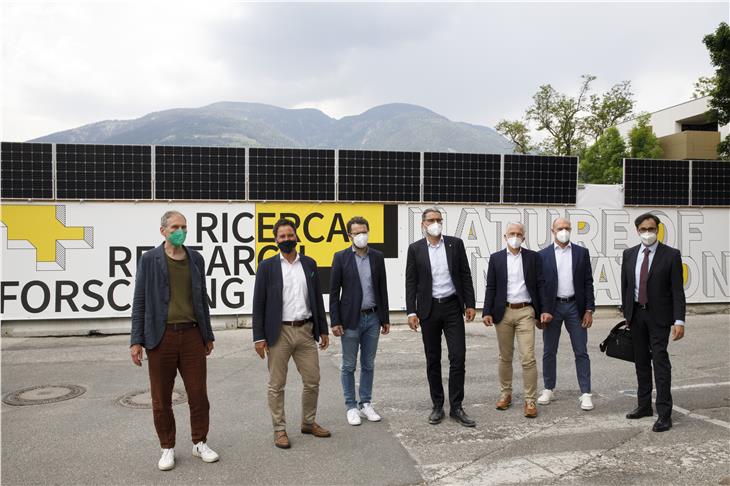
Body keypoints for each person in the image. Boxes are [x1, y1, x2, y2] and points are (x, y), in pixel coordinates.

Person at [130, 210, 219, 471]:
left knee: (198, 394)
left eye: (184, 227)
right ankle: (167, 447)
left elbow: (202, 298)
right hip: (161, 337)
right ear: (163, 231)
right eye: (175, 227)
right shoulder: (149, 260)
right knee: (161, 398)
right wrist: (136, 340)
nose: (180, 231)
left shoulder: (196, 259)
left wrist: (208, 334)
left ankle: (199, 442)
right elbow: (140, 301)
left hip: (192, 334)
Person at [252, 218, 331, 449]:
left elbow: (316, 297)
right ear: (276, 240)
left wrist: (322, 329)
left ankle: (308, 422)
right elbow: (259, 303)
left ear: (296, 236)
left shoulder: (309, 263)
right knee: (277, 384)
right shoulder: (267, 267)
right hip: (279, 333)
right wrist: (259, 337)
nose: (287, 239)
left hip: (305, 331)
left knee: (313, 380)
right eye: (282, 236)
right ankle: (279, 430)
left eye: (290, 235)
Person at [405, 208, 477, 427]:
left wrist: (470, 304)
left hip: (452, 307)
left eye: (438, 220)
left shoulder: (455, 244)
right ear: (423, 224)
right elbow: (411, 281)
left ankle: (456, 407)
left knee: (458, 357)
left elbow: (465, 273)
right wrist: (411, 311)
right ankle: (438, 405)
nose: (435, 223)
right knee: (433, 359)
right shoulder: (415, 249)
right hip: (429, 310)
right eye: (431, 220)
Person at [621, 212, 686, 432]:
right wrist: (627, 314)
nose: (647, 233)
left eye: (651, 229)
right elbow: (626, 287)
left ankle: (664, 413)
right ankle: (643, 405)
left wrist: (679, 320)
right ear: (637, 231)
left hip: (659, 317)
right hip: (637, 315)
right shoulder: (629, 254)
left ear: (658, 230)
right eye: (643, 229)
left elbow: (677, 291)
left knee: (660, 361)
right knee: (640, 361)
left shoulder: (671, 255)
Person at [482, 222, 551, 418]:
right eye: (511, 233)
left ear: (524, 237)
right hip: (503, 313)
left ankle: (530, 400)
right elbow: (491, 286)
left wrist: (544, 309)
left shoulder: (533, 258)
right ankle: (506, 394)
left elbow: (540, 284)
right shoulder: (496, 259)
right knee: (505, 357)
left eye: (519, 234)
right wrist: (487, 311)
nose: (515, 236)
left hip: (525, 312)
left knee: (528, 357)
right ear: (505, 236)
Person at [330, 216, 391, 426]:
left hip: (373, 317)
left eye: (364, 231)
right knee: (348, 365)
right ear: (349, 236)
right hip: (350, 320)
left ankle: (365, 403)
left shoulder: (377, 256)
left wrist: (385, 318)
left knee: (368, 363)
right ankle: (351, 406)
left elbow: (382, 288)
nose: (361, 235)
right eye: (356, 233)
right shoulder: (341, 257)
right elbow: (334, 292)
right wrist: (335, 321)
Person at [537, 218, 596, 411]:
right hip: (552, 308)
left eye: (567, 228)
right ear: (552, 230)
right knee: (549, 351)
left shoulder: (581, 253)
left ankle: (586, 393)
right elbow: (540, 286)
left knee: (581, 351)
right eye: (560, 228)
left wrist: (589, 309)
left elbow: (588, 282)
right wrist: (541, 312)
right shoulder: (543, 255)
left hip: (575, 307)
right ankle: (548, 389)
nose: (564, 231)